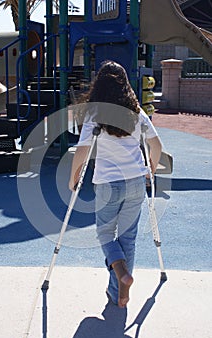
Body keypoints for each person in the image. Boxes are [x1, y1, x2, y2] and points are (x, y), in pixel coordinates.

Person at [69, 61, 162, 308]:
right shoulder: (137, 112)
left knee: (105, 234)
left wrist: (73, 176)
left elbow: (82, 149)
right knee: (128, 238)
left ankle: (121, 273)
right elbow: (156, 146)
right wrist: (150, 170)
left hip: (108, 183)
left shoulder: (94, 113)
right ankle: (118, 293)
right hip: (135, 183)